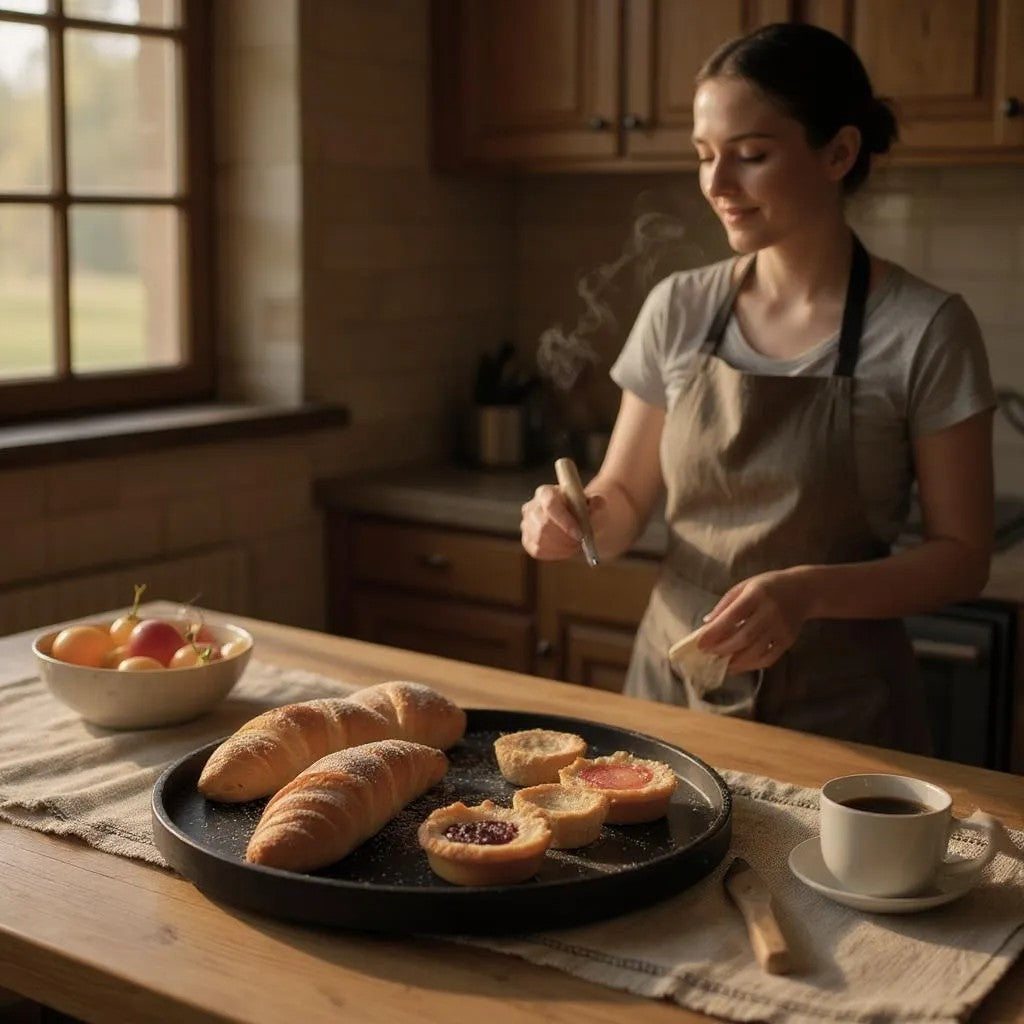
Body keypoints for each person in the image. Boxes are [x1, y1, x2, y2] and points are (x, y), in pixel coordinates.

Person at [519, 22, 995, 754]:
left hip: (843, 713)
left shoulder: (925, 328)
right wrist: (570, 519)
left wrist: (808, 592)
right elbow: (620, 506)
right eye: (705, 157)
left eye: (751, 155)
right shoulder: (679, 307)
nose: (716, 185)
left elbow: (963, 556)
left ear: (838, 152)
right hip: (671, 697)